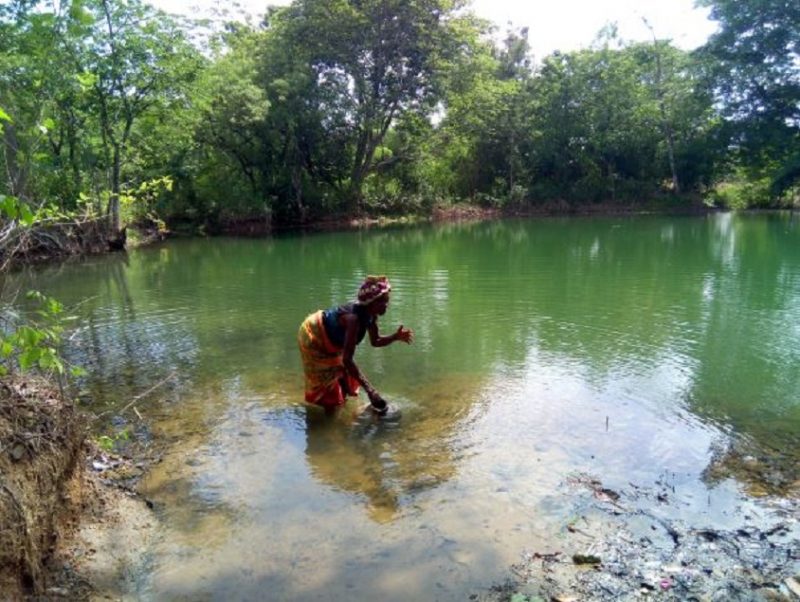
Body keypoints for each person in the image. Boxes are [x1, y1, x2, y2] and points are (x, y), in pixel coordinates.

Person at [297, 275, 414, 414]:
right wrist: (370, 390)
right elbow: (347, 359)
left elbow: (375, 341)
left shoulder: (371, 316)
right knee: (328, 386)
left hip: (333, 339)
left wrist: (395, 337)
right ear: (371, 303)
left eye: (386, 301)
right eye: (381, 302)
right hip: (315, 335)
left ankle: (341, 411)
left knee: (345, 376)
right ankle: (326, 424)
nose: (386, 305)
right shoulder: (354, 320)